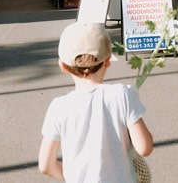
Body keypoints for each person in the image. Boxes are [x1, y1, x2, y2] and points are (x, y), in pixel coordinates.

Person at [38, 22, 153, 182]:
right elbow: (144, 147)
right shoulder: (122, 95)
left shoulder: (58, 107)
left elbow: (45, 165)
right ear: (107, 61)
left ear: (63, 66)